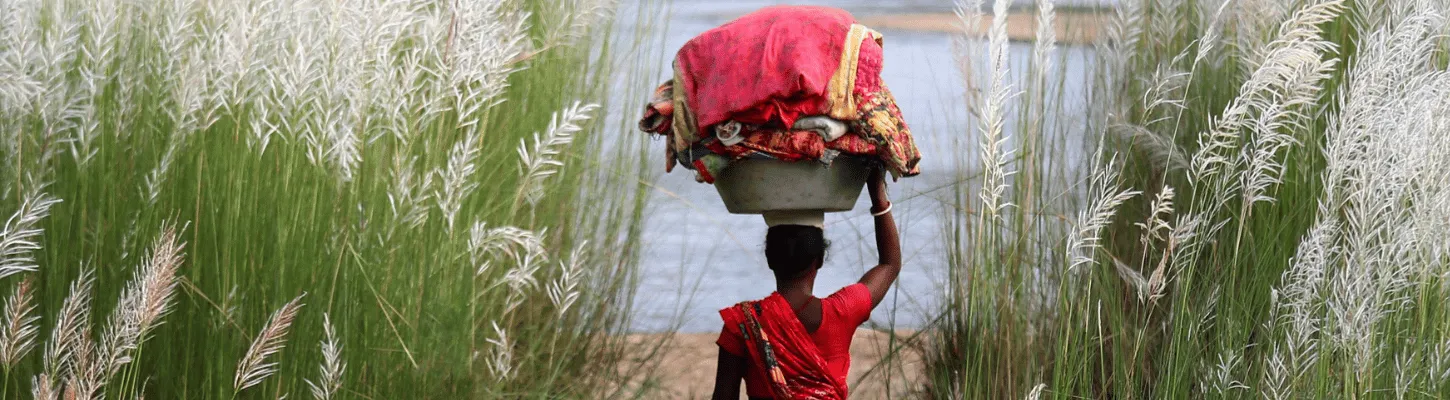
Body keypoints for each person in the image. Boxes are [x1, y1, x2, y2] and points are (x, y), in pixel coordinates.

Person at [711, 167, 901, 400]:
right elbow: (889, 265)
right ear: (819, 260)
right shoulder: (843, 312)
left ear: (769, 259)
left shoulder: (742, 324)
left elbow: (723, 396)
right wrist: (878, 196)